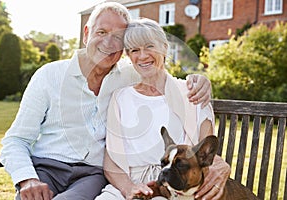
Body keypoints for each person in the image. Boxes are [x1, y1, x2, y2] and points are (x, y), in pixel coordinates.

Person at [0, 2, 213, 200]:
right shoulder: (49, 76)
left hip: (91, 175)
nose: (109, 43)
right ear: (86, 34)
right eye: (101, 32)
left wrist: (201, 80)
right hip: (46, 168)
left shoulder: (129, 74)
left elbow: (157, 72)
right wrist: (27, 178)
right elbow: (16, 140)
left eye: (118, 37)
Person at [96, 18, 230, 200]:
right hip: (127, 185)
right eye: (135, 50)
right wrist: (129, 189)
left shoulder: (192, 92)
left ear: (164, 48)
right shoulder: (120, 97)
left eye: (149, 46)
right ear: (129, 55)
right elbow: (111, 160)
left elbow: (207, 154)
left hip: (175, 187)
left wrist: (222, 165)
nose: (142, 56)